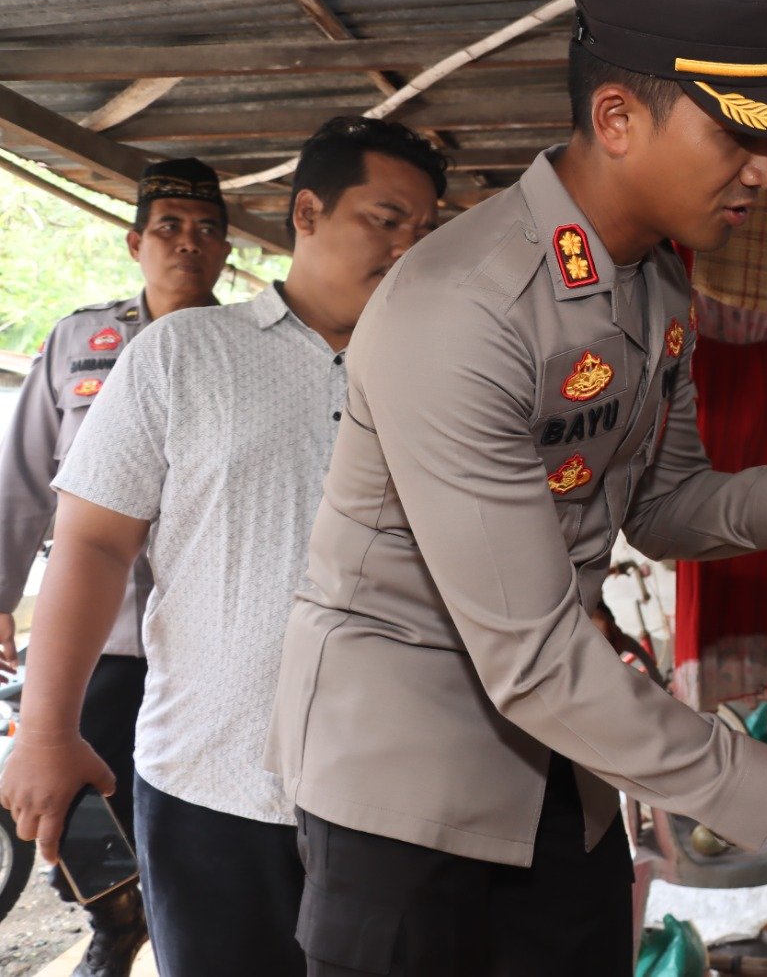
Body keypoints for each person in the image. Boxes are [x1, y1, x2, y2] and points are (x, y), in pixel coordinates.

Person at [267, 0, 767, 977]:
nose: (763, 169)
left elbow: (662, 503)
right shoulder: (462, 308)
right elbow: (534, 655)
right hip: (405, 791)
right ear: (617, 119)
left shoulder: (654, 281)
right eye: (736, 136)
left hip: (560, 760)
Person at [0, 117, 448, 977]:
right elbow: (92, 543)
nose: (407, 246)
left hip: (397, 787)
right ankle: (112, 927)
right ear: (307, 213)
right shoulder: (184, 353)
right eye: (386, 220)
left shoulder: (445, 368)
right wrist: (47, 730)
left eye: (423, 230)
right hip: (209, 778)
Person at [0, 158, 231, 977]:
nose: (187, 243)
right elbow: (25, 473)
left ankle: (185, 933)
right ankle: (113, 921)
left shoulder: (247, 348)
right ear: (136, 242)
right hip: (96, 634)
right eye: (169, 227)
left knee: (189, 803)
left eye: (207, 229)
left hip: (203, 633)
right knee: (71, 793)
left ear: (226, 250)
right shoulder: (79, 340)